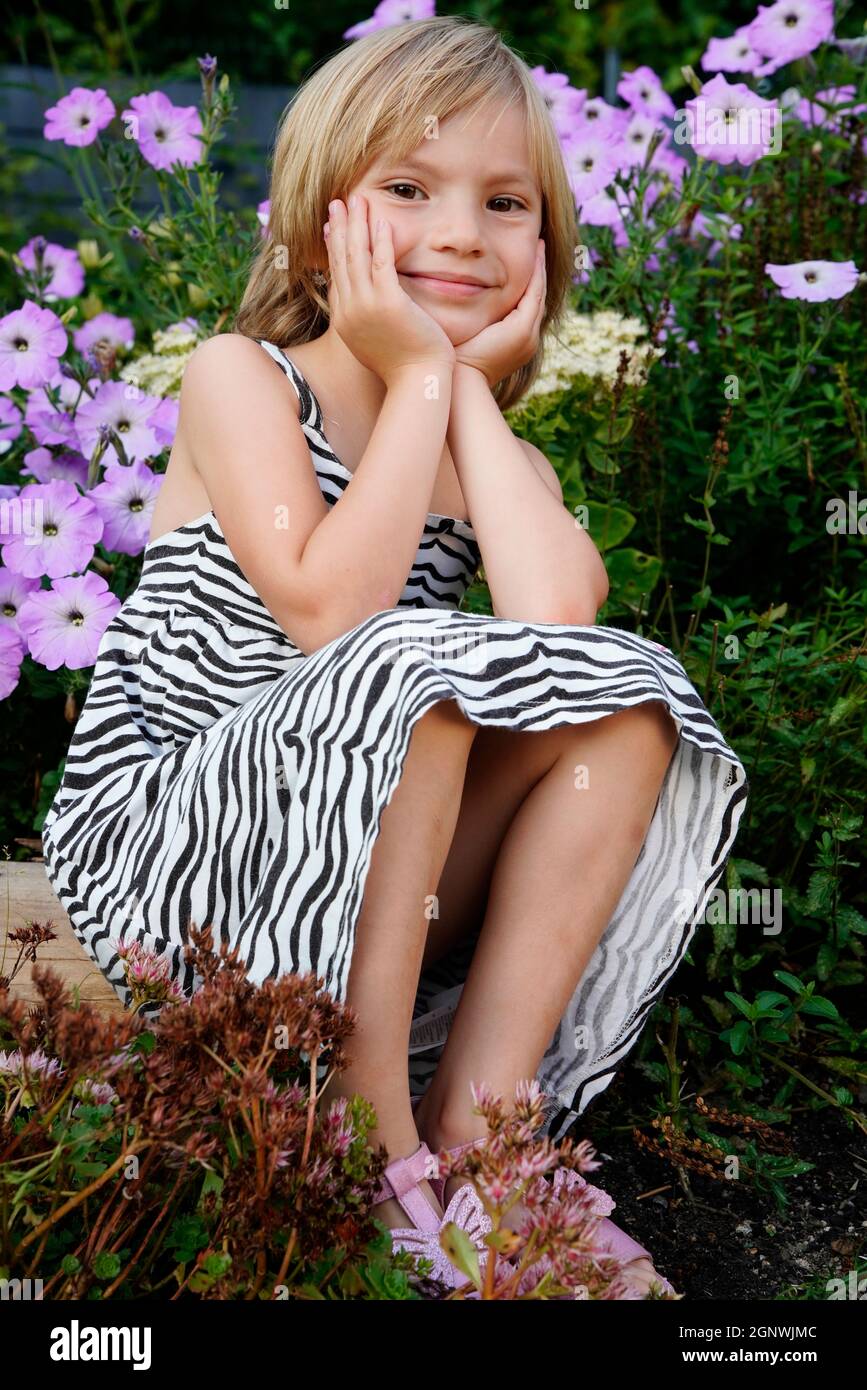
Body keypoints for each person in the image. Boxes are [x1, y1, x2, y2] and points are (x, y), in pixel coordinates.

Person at [42, 15, 748, 1296]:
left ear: (547, 243)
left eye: (505, 202)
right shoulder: (240, 379)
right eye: (410, 193)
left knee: (635, 709)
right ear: (322, 223)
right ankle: (364, 1153)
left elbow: (562, 641)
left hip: (374, 862)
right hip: (176, 847)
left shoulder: (489, 450)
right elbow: (331, 614)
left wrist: (466, 396)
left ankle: (490, 1141)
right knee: (419, 660)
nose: (463, 235)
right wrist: (421, 381)